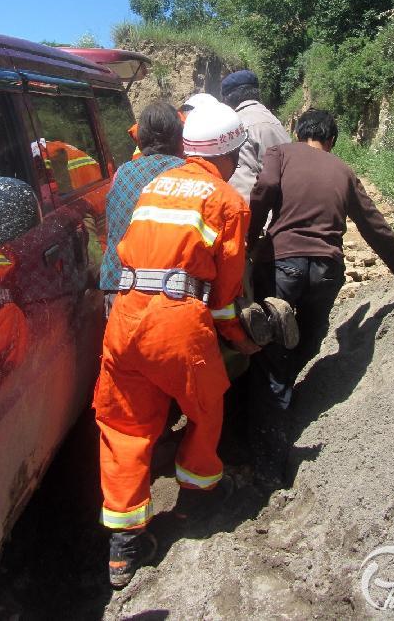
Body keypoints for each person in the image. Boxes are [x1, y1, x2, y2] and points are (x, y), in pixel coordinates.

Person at [93, 102, 260, 589]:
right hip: (176, 324)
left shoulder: (151, 184)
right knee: (206, 407)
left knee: (123, 426)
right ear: (229, 151)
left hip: (124, 318)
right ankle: (196, 499)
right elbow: (226, 297)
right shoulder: (226, 199)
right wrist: (239, 338)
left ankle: (122, 547)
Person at [246, 108, 394, 487]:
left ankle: (270, 421)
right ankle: (287, 386)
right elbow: (374, 224)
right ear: (332, 140)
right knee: (312, 337)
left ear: (299, 132)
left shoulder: (281, 154)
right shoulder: (344, 171)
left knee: (269, 346)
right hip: (326, 270)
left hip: (282, 263)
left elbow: (262, 190)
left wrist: (249, 241)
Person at [99, 101, 185, 314]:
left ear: (140, 138)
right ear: (180, 138)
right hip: (170, 293)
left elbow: (111, 229)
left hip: (119, 288)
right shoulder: (189, 173)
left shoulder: (122, 173)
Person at [220, 70, 290, 203]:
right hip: (283, 210)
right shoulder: (275, 122)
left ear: (227, 99)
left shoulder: (235, 127)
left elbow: (241, 184)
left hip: (255, 215)